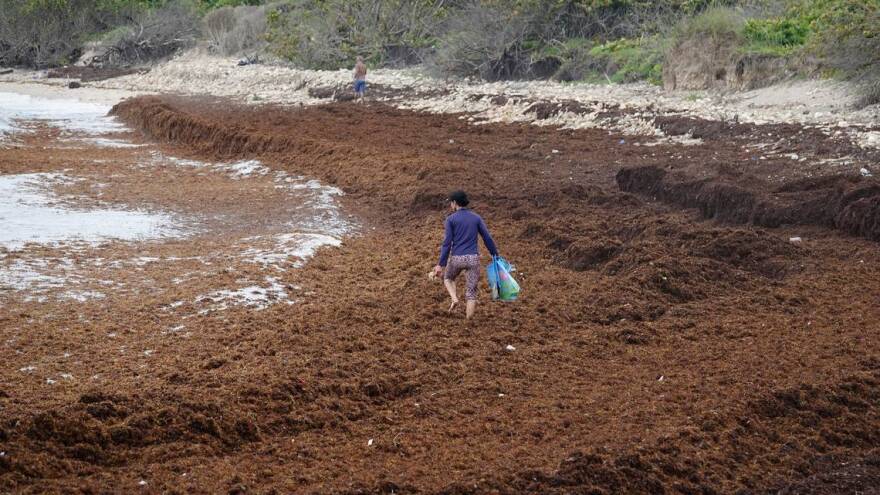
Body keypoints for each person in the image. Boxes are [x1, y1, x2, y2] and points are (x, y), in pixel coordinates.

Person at [433, 190, 499, 319]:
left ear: (454, 203)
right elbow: (487, 238)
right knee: (471, 292)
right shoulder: (476, 217)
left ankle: (454, 298)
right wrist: (494, 254)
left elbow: (447, 243)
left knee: (448, 278)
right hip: (473, 258)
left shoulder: (450, 219)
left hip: (457, 258)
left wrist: (441, 264)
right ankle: (469, 322)